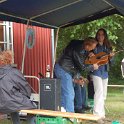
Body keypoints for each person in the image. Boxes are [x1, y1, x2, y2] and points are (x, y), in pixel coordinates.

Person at [54, 37, 98, 112]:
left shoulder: (80, 44)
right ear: (87, 46)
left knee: (65, 93)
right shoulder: (78, 50)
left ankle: (64, 113)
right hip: (64, 69)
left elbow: (77, 62)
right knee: (69, 93)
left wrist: (89, 54)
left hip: (66, 69)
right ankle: (71, 115)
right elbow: (82, 67)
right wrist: (92, 67)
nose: (92, 49)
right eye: (92, 48)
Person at [0, 50, 36, 124]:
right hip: (12, 102)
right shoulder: (14, 72)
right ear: (11, 59)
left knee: (13, 106)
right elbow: (26, 89)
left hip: (2, 104)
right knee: (34, 106)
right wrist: (26, 97)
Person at [90, 28, 114, 120]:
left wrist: (111, 57)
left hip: (105, 72)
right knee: (98, 92)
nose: (100, 36)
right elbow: (89, 59)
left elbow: (112, 62)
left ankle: (102, 114)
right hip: (96, 72)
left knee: (103, 94)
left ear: (105, 36)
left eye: (102, 35)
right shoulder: (94, 46)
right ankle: (96, 115)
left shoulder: (108, 47)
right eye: (99, 34)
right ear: (97, 35)